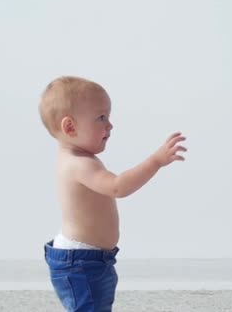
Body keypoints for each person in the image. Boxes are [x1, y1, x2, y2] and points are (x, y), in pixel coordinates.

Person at [38, 76, 187, 311]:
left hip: (87, 259)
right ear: (70, 127)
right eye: (101, 118)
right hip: (81, 262)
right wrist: (156, 161)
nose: (110, 125)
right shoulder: (79, 164)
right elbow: (118, 186)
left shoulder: (77, 160)